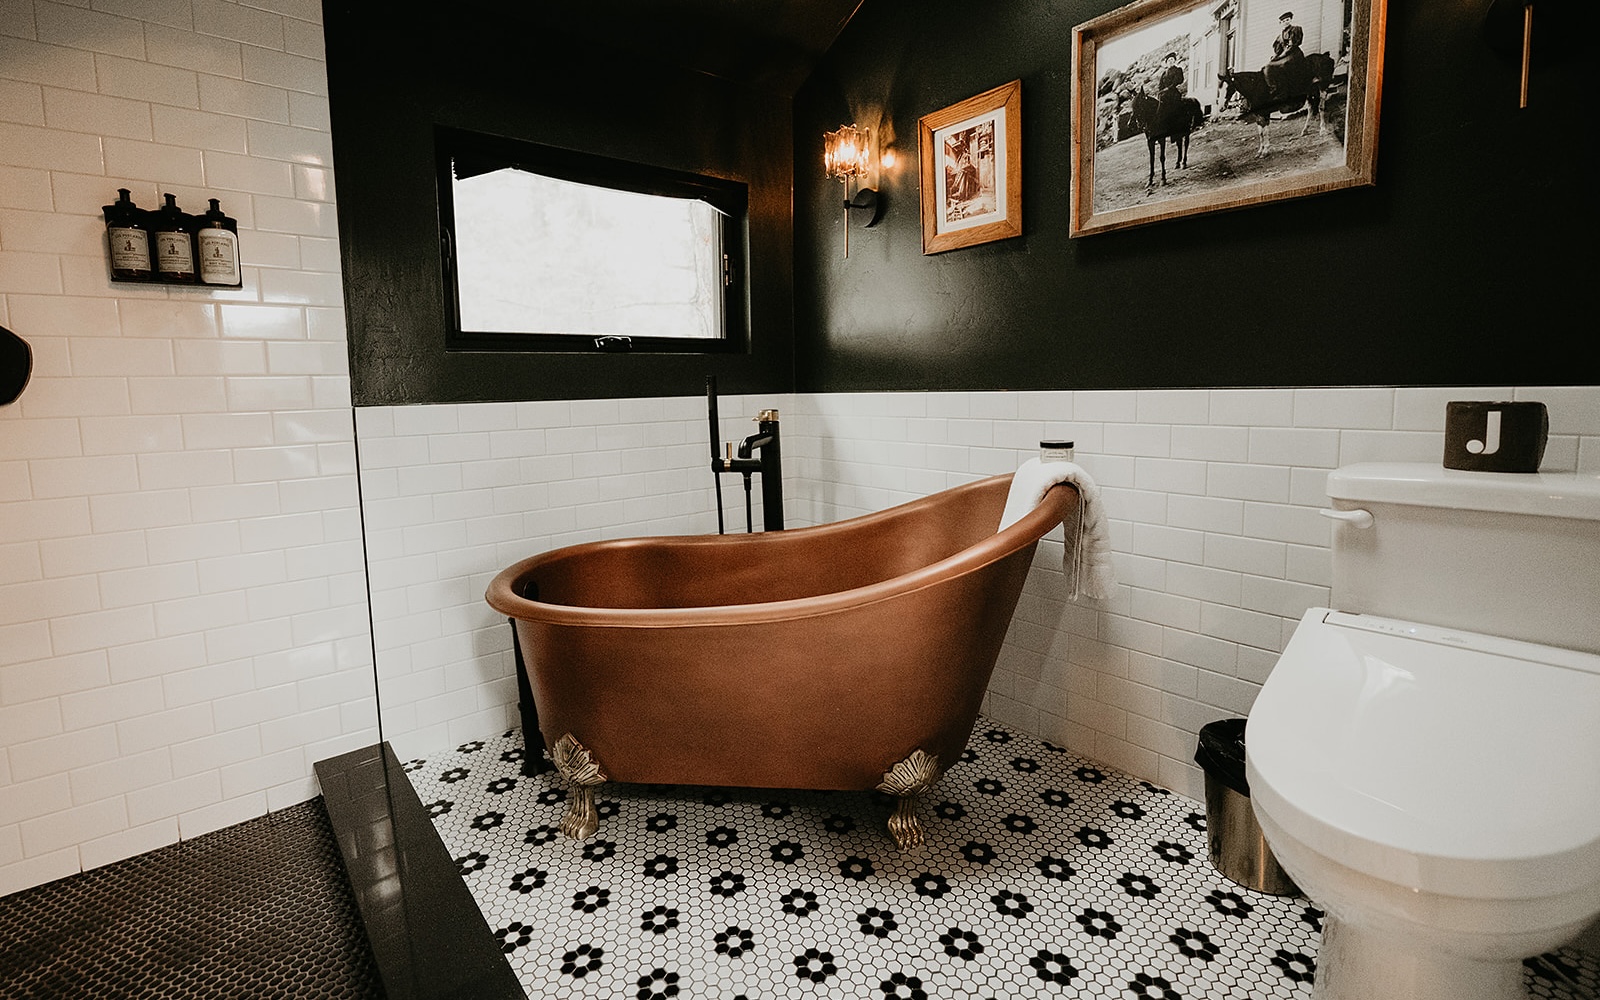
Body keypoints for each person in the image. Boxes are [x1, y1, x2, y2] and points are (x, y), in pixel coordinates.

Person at [1264, 10, 1305, 100]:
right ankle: (1274, 88)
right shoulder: (1280, 36)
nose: (1285, 22)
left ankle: (1285, 91)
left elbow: (1291, 46)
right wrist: (1275, 57)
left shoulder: (1295, 29)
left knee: (1282, 65)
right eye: (1283, 21)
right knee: (1267, 66)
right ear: (1280, 23)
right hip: (1284, 55)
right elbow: (1278, 50)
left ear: (1290, 20)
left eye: (1287, 20)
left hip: (1294, 54)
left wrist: (1280, 57)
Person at [1156, 51, 1185, 125]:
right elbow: (1160, 84)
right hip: (1164, 94)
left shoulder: (1178, 70)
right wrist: (1160, 91)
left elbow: (1177, 80)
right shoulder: (1164, 73)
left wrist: (1168, 88)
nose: (1170, 62)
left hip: (1173, 92)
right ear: (1166, 62)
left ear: (1175, 61)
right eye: (1169, 60)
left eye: (1172, 60)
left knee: (1175, 107)